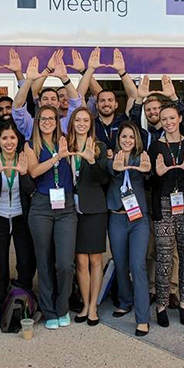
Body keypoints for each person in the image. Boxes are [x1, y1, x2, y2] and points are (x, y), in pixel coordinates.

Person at [131, 75, 184, 308]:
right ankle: (153, 288)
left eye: (157, 108)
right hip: (145, 193)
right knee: (150, 243)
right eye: (150, 109)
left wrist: (172, 96)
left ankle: (172, 289)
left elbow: (182, 117)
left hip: (169, 192)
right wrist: (139, 99)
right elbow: (132, 120)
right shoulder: (142, 135)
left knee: (171, 243)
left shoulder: (172, 130)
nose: (153, 112)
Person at [25, 105, 79, 330]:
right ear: (37, 121)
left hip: (65, 205)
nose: (47, 122)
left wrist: (69, 156)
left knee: (65, 263)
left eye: (51, 118)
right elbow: (34, 171)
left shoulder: (67, 140)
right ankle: (49, 312)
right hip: (41, 206)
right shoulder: (30, 145)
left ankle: (62, 307)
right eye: (43, 118)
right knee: (44, 261)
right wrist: (58, 157)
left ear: (58, 121)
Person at [149, 104, 184, 327]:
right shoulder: (155, 147)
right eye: (164, 119)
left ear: (179, 118)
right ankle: (161, 304)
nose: (168, 122)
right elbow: (149, 179)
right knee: (164, 256)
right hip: (164, 204)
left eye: (172, 118)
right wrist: (157, 175)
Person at [0, 121, 36, 329]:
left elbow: (31, 189)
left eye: (12, 138)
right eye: (4, 138)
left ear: (18, 140)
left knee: (26, 262)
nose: (9, 142)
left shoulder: (23, 159)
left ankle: (23, 303)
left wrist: (24, 173)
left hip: (20, 216)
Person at [107, 122, 152, 336]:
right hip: (117, 219)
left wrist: (146, 170)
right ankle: (125, 300)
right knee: (120, 263)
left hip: (138, 220)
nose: (127, 140)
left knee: (137, 265)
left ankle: (142, 318)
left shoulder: (142, 158)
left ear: (136, 140)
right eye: (124, 137)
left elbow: (150, 175)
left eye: (131, 137)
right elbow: (111, 171)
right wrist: (117, 168)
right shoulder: (112, 158)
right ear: (119, 139)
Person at [67, 107, 109, 326]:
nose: (81, 123)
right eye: (78, 120)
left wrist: (92, 161)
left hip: (94, 209)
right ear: (72, 123)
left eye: (85, 120)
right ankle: (84, 304)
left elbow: (103, 179)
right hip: (71, 209)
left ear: (90, 124)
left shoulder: (99, 147)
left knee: (95, 259)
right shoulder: (66, 146)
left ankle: (94, 307)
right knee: (80, 261)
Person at [12, 51, 82, 140]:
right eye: (45, 98)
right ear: (39, 103)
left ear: (58, 104)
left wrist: (64, 78)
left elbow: (75, 103)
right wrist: (29, 80)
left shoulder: (64, 124)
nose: (49, 102)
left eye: (53, 99)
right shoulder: (30, 124)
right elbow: (17, 107)